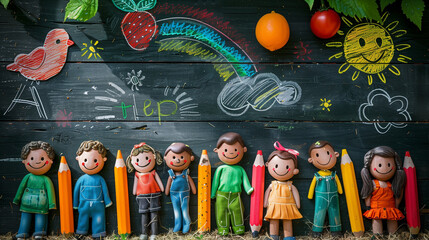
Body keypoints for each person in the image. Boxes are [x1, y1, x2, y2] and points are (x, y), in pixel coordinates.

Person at [211, 132, 253, 235]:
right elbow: (215, 182)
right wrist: (212, 193)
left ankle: (238, 229)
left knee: (237, 212)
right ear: (217, 151)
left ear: (244, 150)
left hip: (236, 195)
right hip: (221, 195)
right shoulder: (221, 168)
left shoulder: (240, 169)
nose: (230, 153)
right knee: (221, 213)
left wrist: (248, 189)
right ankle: (223, 229)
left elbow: (245, 180)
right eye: (225, 150)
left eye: (235, 150)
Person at [14, 141, 56, 240]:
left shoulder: (46, 179)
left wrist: (52, 204)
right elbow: (20, 189)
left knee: (40, 219)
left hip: (40, 204)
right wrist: (16, 199)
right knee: (25, 219)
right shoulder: (28, 177)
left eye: (42, 159)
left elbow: (50, 191)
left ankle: (39, 233)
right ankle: (22, 233)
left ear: (50, 161)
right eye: (31, 158)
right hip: (27, 204)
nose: (37, 162)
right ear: (24, 160)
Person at [360, 146, 405, 235]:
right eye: (379, 165)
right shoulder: (372, 184)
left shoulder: (393, 185)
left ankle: (393, 235)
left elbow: (398, 195)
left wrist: (396, 206)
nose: (384, 168)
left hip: (390, 208)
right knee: (377, 220)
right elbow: (368, 195)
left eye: (389, 165)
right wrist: (368, 206)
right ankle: (377, 235)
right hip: (377, 208)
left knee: (392, 220)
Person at [73, 140, 112, 239]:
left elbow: (105, 191)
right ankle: (81, 232)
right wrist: (75, 204)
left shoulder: (100, 179)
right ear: (78, 159)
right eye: (85, 160)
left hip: (98, 206)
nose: (89, 163)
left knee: (98, 219)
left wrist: (107, 201)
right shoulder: (81, 180)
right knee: (82, 219)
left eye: (95, 161)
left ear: (104, 159)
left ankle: (98, 234)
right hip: (84, 206)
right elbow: (76, 192)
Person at [264, 141, 302, 240]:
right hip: (274, 205)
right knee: (273, 220)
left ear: (295, 170)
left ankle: (288, 237)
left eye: (287, 167)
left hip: (288, 206)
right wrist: (265, 203)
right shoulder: (272, 184)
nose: (280, 169)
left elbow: (295, 192)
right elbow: (267, 192)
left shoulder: (290, 185)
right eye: (275, 166)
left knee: (287, 220)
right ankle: (273, 236)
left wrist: (298, 204)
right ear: (267, 164)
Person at [126, 142, 164, 240]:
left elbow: (159, 183)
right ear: (132, 161)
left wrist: (162, 188)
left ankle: (154, 233)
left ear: (154, 157)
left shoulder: (153, 172)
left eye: (147, 158)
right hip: (142, 196)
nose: (142, 162)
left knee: (154, 214)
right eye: (137, 160)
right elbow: (135, 186)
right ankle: (144, 233)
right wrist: (134, 191)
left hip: (154, 194)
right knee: (144, 214)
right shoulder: (137, 175)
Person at [307, 140, 343, 237]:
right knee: (319, 213)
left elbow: (339, 185)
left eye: (328, 153)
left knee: (335, 212)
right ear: (311, 160)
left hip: (333, 197)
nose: (324, 158)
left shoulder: (333, 175)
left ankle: (336, 231)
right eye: (317, 155)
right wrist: (310, 195)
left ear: (335, 154)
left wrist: (340, 191)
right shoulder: (317, 175)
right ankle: (316, 231)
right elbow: (312, 186)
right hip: (320, 198)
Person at [164, 143, 196, 233]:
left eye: (182, 157)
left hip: (185, 194)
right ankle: (178, 224)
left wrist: (194, 190)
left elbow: (191, 183)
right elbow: (168, 185)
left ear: (191, 158)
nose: (177, 160)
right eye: (173, 158)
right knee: (176, 211)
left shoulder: (186, 174)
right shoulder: (171, 174)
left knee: (185, 210)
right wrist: (166, 192)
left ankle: (187, 223)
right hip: (173, 195)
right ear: (166, 158)